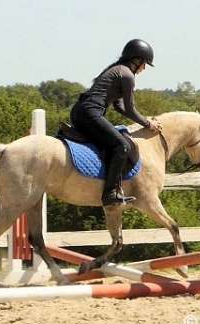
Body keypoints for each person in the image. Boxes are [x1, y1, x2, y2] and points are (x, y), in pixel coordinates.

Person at [70, 39, 163, 206]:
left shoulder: (116, 70)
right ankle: (110, 193)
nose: (144, 68)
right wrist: (148, 124)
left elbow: (119, 107)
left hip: (80, 112)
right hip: (90, 113)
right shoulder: (126, 75)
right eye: (145, 64)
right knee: (122, 146)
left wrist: (145, 119)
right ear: (137, 60)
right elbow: (129, 109)